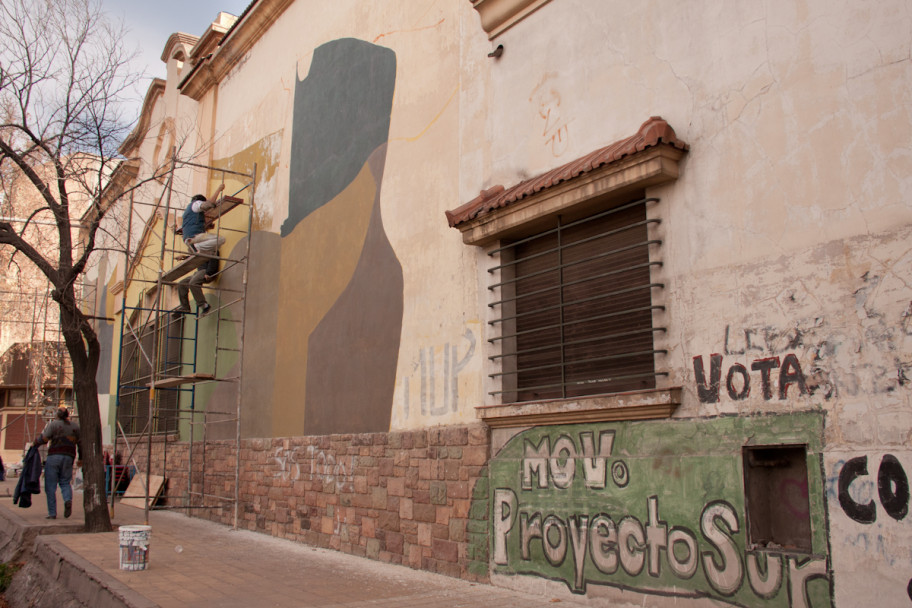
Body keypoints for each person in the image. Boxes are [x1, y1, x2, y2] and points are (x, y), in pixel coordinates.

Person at [175, 184, 225, 316]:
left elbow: (215, 254)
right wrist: (185, 257)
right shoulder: (195, 206)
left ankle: (204, 305)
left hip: (205, 272)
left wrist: (209, 272)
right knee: (182, 283)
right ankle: (185, 307)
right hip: (199, 269)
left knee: (193, 282)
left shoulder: (193, 207)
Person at [33, 407, 81, 519]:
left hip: (54, 456)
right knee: (65, 482)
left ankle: (52, 513)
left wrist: (35, 444)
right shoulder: (75, 427)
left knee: (50, 485)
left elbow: (44, 439)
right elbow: (81, 443)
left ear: (57, 415)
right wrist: (81, 458)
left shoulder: (53, 425)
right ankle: (68, 499)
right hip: (69, 457)